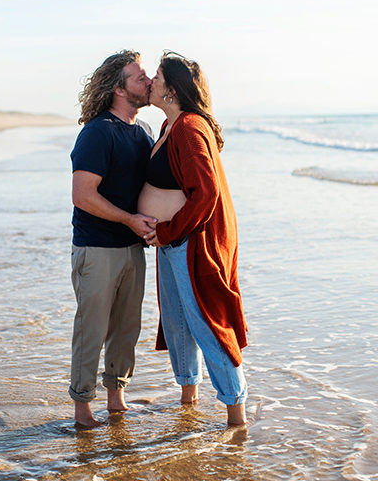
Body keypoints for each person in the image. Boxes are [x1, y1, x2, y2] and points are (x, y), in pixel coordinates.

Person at [138, 51, 249, 425]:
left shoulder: (188, 127)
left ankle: (237, 416)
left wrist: (167, 230)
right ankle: (188, 399)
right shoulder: (171, 126)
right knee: (177, 322)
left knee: (205, 322)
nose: (150, 81)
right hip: (171, 244)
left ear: (171, 89)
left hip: (189, 242)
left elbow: (206, 192)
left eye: (156, 76)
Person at [69, 50, 157, 428]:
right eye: (139, 77)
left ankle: (116, 398)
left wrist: (152, 224)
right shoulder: (97, 131)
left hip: (133, 246)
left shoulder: (145, 132)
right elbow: (83, 195)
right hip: (97, 247)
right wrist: (130, 220)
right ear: (119, 88)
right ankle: (82, 408)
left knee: (126, 327)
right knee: (93, 329)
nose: (149, 81)